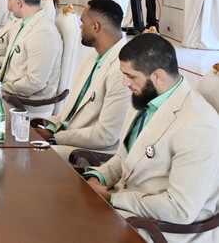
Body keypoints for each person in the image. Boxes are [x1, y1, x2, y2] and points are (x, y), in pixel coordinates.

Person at [84, 34, 219, 238]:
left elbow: (180, 209)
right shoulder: (145, 98)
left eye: (130, 76)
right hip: (128, 214)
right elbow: (124, 158)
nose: (124, 82)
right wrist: (98, 177)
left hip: (158, 230)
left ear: (158, 76)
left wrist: (112, 199)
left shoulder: (198, 124)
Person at [33, 0, 130, 158]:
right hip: (65, 137)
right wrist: (50, 128)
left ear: (95, 27)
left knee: (29, 157)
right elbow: (72, 110)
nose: (80, 26)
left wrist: (54, 137)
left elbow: (105, 135)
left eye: (83, 22)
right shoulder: (93, 55)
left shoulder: (122, 70)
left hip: (89, 152)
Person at [0, 0, 62, 116]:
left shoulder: (43, 33)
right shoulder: (25, 23)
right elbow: (15, 60)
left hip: (25, 104)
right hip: (10, 92)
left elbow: (35, 83)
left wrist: (0, 88)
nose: (8, 6)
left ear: (18, 2)